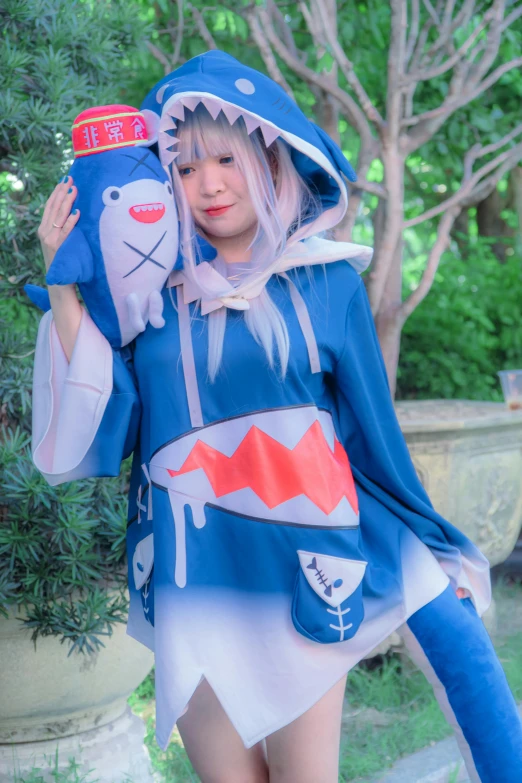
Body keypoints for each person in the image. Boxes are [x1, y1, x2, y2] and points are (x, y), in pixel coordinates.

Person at [32, 51, 522, 783]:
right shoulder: (153, 300)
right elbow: (113, 420)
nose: (209, 185)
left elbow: (370, 434)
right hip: (194, 579)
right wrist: (66, 288)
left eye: (224, 158)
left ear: (267, 153)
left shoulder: (328, 282)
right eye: (186, 169)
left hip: (304, 577)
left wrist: (426, 542)